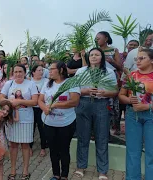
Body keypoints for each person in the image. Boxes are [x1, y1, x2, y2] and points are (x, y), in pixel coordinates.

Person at [73, 48, 118, 180]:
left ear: (101, 57)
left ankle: (102, 171)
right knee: (83, 137)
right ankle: (81, 167)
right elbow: (74, 89)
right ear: (88, 57)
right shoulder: (81, 71)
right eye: (91, 54)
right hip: (83, 104)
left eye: (96, 54)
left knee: (102, 137)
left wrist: (105, 93)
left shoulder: (109, 72)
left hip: (101, 104)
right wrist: (85, 91)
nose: (93, 57)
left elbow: (115, 91)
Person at [38, 61, 80, 180]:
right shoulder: (47, 83)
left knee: (64, 149)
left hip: (66, 123)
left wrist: (56, 105)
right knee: (53, 149)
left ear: (61, 70)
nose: (49, 71)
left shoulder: (71, 82)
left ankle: (65, 175)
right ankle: (56, 174)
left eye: (52, 69)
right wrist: (45, 108)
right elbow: (40, 100)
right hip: (48, 123)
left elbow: (75, 101)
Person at [0, 64, 38, 180]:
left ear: (24, 72)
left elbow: (35, 101)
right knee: (13, 145)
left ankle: (25, 171)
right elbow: (1, 98)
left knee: (25, 145)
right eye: (15, 72)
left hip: (26, 119)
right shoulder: (9, 83)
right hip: (11, 119)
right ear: (12, 73)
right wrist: (10, 102)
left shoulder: (31, 84)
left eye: (20, 71)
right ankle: (13, 170)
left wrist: (19, 101)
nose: (18, 74)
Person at [119, 49, 153, 179]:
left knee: (151, 152)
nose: (137, 61)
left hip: (151, 115)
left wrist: (147, 105)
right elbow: (121, 95)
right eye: (136, 59)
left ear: (151, 60)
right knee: (133, 152)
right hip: (133, 115)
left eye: (142, 58)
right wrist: (129, 100)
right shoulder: (131, 76)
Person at [29, 65, 48, 157]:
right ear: (33, 72)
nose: (41, 72)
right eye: (39, 70)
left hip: (41, 107)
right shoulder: (29, 81)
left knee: (42, 128)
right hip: (31, 107)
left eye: (42, 70)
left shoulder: (46, 81)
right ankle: (29, 147)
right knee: (31, 128)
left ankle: (43, 148)